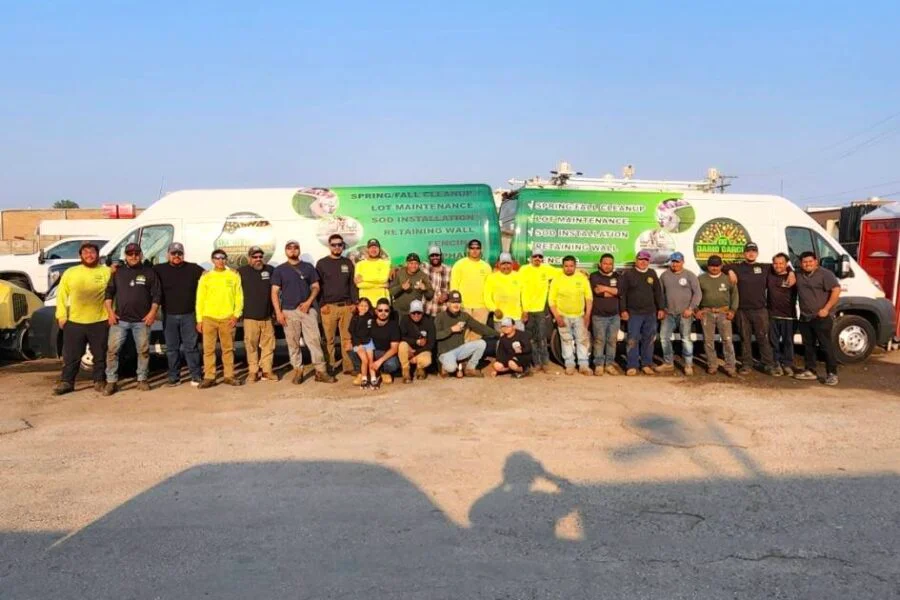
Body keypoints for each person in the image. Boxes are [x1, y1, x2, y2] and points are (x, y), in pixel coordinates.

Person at [272, 240, 335, 385]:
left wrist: (308, 302)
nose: (293, 250)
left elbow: (316, 287)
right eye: (289, 248)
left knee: (314, 341)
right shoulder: (280, 270)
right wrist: (278, 312)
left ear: (299, 250)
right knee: (293, 343)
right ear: (285, 251)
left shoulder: (308, 268)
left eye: (295, 248)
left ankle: (321, 371)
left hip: (308, 311)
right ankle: (298, 371)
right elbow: (274, 292)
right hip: (288, 311)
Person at [53, 241, 112, 395]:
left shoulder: (106, 272)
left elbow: (113, 294)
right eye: (85, 252)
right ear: (80, 256)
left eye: (92, 252)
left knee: (100, 355)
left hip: (100, 320)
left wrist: (112, 314)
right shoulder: (70, 272)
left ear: (98, 255)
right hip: (74, 322)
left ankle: (99, 381)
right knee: (71, 355)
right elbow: (61, 295)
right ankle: (67, 382)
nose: (89, 255)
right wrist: (61, 315)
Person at [103, 242, 161, 395]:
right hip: (119, 320)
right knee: (112, 351)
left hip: (142, 321)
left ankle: (142, 379)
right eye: (130, 254)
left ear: (141, 255)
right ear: (125, 256)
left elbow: (157, 295)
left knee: (143, 351)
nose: (133, 256)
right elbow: (109, 293)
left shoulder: (149, 272)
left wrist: (152, 313)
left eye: (136, 253)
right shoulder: (118, 272)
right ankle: (111, 381)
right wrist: (110, 312)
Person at [154, 242, 204, 386]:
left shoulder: (193, 268)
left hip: (189, 315)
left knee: (191, 347)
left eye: (179, 253)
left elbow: (210, 276)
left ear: (183, 255)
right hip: (169, 315)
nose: (176, 256)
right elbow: (141, 272)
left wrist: (232, 271)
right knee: (171, 349)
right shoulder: (158, 269)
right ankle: (174, 377)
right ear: (168, 255)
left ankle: (196, 376)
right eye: (173, 253)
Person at [726, 242, 777, 375]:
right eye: (748, 251)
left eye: (754, 251)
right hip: (742, 310)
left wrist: (790, 273)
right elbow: (723, 267)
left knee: (763, 337)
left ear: (757, 253)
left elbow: (781, 266)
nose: (751, 253)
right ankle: (746, 364)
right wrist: (730, 271)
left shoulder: (764, 267)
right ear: (744, 253)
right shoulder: (737, 267)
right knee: (745, 338)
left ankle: (768, 364)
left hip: (760, 309)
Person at [195, 249, 243, 388]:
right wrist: (199, 320)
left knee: (228, 349)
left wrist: (236, 315)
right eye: (217, 258)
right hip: (209, 318)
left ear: (226, 260)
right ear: (212, 260)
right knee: (208, 350)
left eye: (223, 258)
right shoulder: (206, 276)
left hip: (227, 318)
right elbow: (200, 299)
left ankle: (229, 376)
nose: (220, 260)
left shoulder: (233, 275)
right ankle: (209, 377)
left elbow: (238, 297)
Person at [793, 252, 841, 386]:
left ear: (816, 261)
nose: (807, 264)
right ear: (801, 263)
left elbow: (836, 290)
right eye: (804, 262)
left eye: (810, 261)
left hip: (822, 317)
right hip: (805, 317)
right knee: (808, 346)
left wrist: (826, 309)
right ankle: (810, 370)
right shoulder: (799, 274)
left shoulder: (825, 274)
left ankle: (832, 374)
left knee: (826, 346)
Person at [316, 233, 357, 376]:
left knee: (347, 338)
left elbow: (352, 284)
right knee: (329, 339)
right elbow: (317, 286)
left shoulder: (347, 263)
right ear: (329, 246)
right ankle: (330, 366)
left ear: (343, 246)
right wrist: (322, 304)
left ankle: (348, 366)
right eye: (334, 244)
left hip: (347, 307)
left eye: (340, 244)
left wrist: (354, 303)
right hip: (329, 307)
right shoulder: (322, 263)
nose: (337, 247)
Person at [619, 250, 665, 376]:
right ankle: (631, 365)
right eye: (641, 259)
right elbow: (622, 294)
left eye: (646, 260)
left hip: (650, 313)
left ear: (649, 262)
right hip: (634, 313)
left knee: (649, 339)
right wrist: (623, 310)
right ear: (636, 260)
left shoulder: (652, 273)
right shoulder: (628, 274)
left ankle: (646, 364)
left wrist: (661, 308)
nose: (643, 262)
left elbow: (658, 292)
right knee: (632, 339)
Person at [434, 290, 498, 378]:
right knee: (451, 368)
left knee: (481, 343)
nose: (456, 305)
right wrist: (451, 330)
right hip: (445, 352)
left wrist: (498, 334)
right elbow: (435, 336)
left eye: (458, 302)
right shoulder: (440, 316)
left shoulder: (464, 316)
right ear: (448, 303)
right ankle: (444, 366)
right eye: (453, 302)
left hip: (460, 349)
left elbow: (480, 327)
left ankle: (470, 368)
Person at [548, 255, 592, 376]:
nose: (569, 268)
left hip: (580, 316)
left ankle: (583, 365)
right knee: (566, 341)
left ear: (575, 266)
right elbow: (551, 300)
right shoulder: (557, 279)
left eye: (571, 266)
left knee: (582, 340)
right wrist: (557, 317)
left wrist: (587, 315)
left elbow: (588, 298)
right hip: (563, 316)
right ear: (563, 266)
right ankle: (570, 364)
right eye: (566, 266)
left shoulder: (582, 278)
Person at [658, 251, 701, 375]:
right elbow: (660, 294)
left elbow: (697, 293)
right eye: (673, 261)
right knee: (664, 338)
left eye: (677, 261)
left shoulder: (689, 275)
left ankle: (688, 365)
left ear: (682, 262)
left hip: (685, 313)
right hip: (669, 314)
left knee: (686, 339)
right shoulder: (664, 276)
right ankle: (668, 363)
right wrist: (662, 308)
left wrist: (691, 308)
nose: (675, 264)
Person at [238, 246, 276, 384]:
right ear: (249, 258)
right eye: (255, 257)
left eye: (260, 257)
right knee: (251, 345)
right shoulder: (241, 272)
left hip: (267, 316)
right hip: (250, 317)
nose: (258, 259)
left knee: (268, 345)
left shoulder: (270, 270)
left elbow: (277, 291)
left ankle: (267, 371)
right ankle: (253, 371)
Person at [518, 245, 559, 372]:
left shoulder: (547, 269)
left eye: (540, 256)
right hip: (527, 310)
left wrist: (582, 272)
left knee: (541, 337)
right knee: (532, 339)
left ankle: (545, 363)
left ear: (542, 259)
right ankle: (536, 363)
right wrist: (524, 310)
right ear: (531, 258)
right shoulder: (524, 269)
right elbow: (520, 290)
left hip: (541, 310)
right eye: (535, 256)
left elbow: (563, 272)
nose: (537, 258)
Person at [697, 255, 739, 377]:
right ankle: (712, 365)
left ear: (721, 266)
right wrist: (697, 310)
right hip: (707, 313)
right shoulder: (701, 279)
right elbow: (695, 295)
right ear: (708, 266)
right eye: (712, 265)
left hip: (723, 312)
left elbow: (735, 295)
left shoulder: (728, 279)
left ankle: (730, 366)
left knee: (727, 340)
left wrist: (732, 311)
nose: (714, 268)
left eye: (717, 265)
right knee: (708, 341)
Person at [350, 297, 401, 387]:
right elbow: (355, 331)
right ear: (376, 311)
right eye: (380, 310)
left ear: (390, 311)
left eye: (386, 310)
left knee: (392, 364)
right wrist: (356, 344)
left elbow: (394, 349)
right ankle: (362, 374)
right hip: (371, 349)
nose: (383, 313)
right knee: (353, 350)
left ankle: (384, 372)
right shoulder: (370, 321)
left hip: (385, 353)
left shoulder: (394, 325)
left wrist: (379, 361)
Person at [450, 239, 493, 339]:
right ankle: (463, 355)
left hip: (482, 307)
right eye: (472, 248)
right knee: (462, 336)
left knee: (476, 336)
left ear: (481, 250)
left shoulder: (486, 267)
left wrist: (489, 305)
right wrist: (456, 304)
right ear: (468, 250)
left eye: (477, 248)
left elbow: (490, 287)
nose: (475, 250)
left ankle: (473, 355)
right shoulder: (459, 264)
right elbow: (454, 286)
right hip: (464, 306)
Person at [589, 253, 621, 376]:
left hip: (614, 316)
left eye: (610, 264)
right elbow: (597, 292)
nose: (607, 266)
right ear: (600, 264)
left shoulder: (618, 276)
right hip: (599, 316)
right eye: (605, 263)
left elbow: (620, 291)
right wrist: (613, 291)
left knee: (612, 341)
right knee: (599, 340)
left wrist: (605, 288)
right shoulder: (594, 276)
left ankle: (609, 364)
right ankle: (598, 365)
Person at [767, 252, 798, 377]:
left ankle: (787, 364)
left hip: (789, 316)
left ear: (786, 264)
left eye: (781, 263)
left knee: (788, 342)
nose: (778, 266)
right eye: (775, 263)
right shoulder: (769, 274)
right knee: (773, 342)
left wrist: (791, 272)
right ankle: (776, 364)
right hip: (772, 315)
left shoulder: (794, 277)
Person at [483, 252, 525, 330]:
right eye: (503, 264)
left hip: (517, 318)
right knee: (503, 341)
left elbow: (525, 296)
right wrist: (494, 309)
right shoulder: (491, 278)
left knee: (519, 341)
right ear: (499, 265)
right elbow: (487, 297)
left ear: (512, 264)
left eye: (508, 263)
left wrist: (525, 311)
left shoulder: (519, 276)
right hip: (500, 318)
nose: (506, 266)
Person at [398, 299, 435, 383]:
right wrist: (415, 342)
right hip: (409, 347)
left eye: (419, 313)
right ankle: (405, 370)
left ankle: (420, 368)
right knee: (402, 345)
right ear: (409, 313)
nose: (416, 315)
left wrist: (415, 353)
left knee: (427, 360)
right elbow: (400, 337)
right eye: (413, 313)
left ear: (423, 313)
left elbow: (431, 343)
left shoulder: (429, 321)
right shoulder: (404, 320)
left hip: (421, 350)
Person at [389, 252, 434, 320]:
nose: (413, 266)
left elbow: (430, 295)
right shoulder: (399, 273)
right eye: (411, 263)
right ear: (407, 263)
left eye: (416, 263)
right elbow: (391, 291)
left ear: (419, 264)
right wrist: (401, 287)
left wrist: (424, 289)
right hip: (398, 312)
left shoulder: (423, 276)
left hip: (414, 313)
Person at [346, 298, 376, 388]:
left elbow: (372, 329)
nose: (363, 308)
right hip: (357, 343)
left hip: (368, 342)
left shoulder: (370, 317)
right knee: (365, 360)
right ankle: (364, 378)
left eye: (366, 306)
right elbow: (351, 331)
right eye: (361, 306)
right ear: (357, 307)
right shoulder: (355, 318)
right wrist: (358, 344)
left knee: (371, 360)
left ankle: (373, 378)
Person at [354, 238, 391, 304]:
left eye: (375, 247)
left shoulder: (386, 263)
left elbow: (383, 279)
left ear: (379, 249)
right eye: (371, 247)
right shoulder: (359, 264)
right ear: (367, 250)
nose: (373, 250)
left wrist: (363, 279)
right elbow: (360, 285)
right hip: (365, 303)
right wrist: (380, 285)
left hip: (382, 301)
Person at [423, 245, 452, 317]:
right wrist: (394, 269)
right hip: (427, 310)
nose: (435, 257)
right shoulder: (424, 267)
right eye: (432, 255)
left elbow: (452, 287)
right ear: (429, 257)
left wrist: (447, 295)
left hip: (443, 310)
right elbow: (410, 266)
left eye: (437, 255)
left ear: (441, 256)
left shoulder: (448, 269)